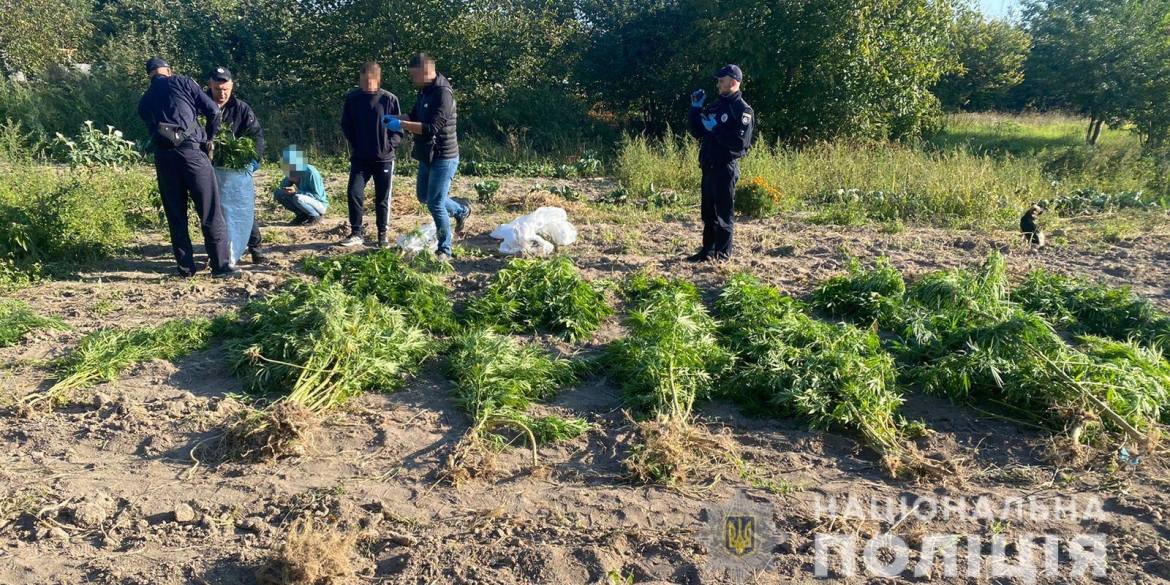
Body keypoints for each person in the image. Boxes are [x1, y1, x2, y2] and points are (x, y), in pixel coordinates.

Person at [136, 57, 238, 278]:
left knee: (176, 215)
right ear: (169, 71)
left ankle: (185, 269)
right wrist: (209, 138)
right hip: (192, 153)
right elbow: (212, 110)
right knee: (210, 211)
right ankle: (220, 268)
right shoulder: (183, 82)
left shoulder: (144, 101)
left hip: (164, 158)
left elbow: (149, 124)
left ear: (149, 76)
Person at [384, 53, 471, 262]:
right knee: (424, 197)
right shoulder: (424, 91)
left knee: (435, 204)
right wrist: (392, 119)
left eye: (414, 76)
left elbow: (432, 127)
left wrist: (401, 125)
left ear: (426, 72)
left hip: (444, 156)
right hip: (427, 154)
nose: (412, 80)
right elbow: (414, 117)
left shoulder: (443, 94)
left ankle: (445, 250)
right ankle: (461, 211)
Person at [686, 64, 754, 262]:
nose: (718, 84)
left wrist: (716, 129)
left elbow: (739, 144)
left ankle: (723, 256)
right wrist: (695, 108)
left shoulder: (742, 110)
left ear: (733, 82)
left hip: (725, 167)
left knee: (724, 215)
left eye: (721, 81)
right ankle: (707, 252)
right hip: (708, 167)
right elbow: (697, 132)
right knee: (709, 215)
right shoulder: (716, 106)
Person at [338, 62, 403, 248]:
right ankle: (356, 232)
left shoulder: (389, 99)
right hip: (360, 158)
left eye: (369, 81)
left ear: (378, 80)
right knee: (353, 192)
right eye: (362, 81)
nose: (365, 84)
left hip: (384, 158)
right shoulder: (353, 98)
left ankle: (382, 233)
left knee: (382, 197)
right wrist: (356, 143)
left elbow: (398, 128)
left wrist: (390, 145)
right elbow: (346, 124)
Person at [207, 66, 267, 264]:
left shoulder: (241, 108)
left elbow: (256, 135)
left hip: (236, 169)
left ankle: (255, 249)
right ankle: (218, 252)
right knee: (215, 211)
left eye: (225, 89)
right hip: (210, 168)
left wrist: (253, 160)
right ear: (210, 85)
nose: (221, 93)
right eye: (217, 89)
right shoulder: (200, 106)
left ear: (232, 86)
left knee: (242, 208)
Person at [274, 145, 328, 224]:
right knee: (278, 193)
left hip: (319, 204)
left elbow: (318, 196)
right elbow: (282, 187)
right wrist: (289, 180)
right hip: (304, 200)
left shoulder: (311, 172)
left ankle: (315, 216)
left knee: (297, 197)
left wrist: (296, 192)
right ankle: (302, 215)